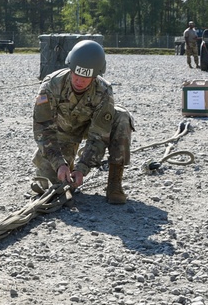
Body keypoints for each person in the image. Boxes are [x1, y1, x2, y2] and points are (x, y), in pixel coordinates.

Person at [31, 40, 134, 204]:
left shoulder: (104, 91)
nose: (79, 81)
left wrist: (82, 169)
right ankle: (63, 168)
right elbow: (43, 131)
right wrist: (59, 164)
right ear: (70, 68)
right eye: (76, 75)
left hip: (90, 127)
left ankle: (115, 183)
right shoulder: (51, 85)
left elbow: (99, 136)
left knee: (121, 116)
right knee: (55, 185)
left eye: (86, 78)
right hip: (62, 133)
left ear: (95, 76)